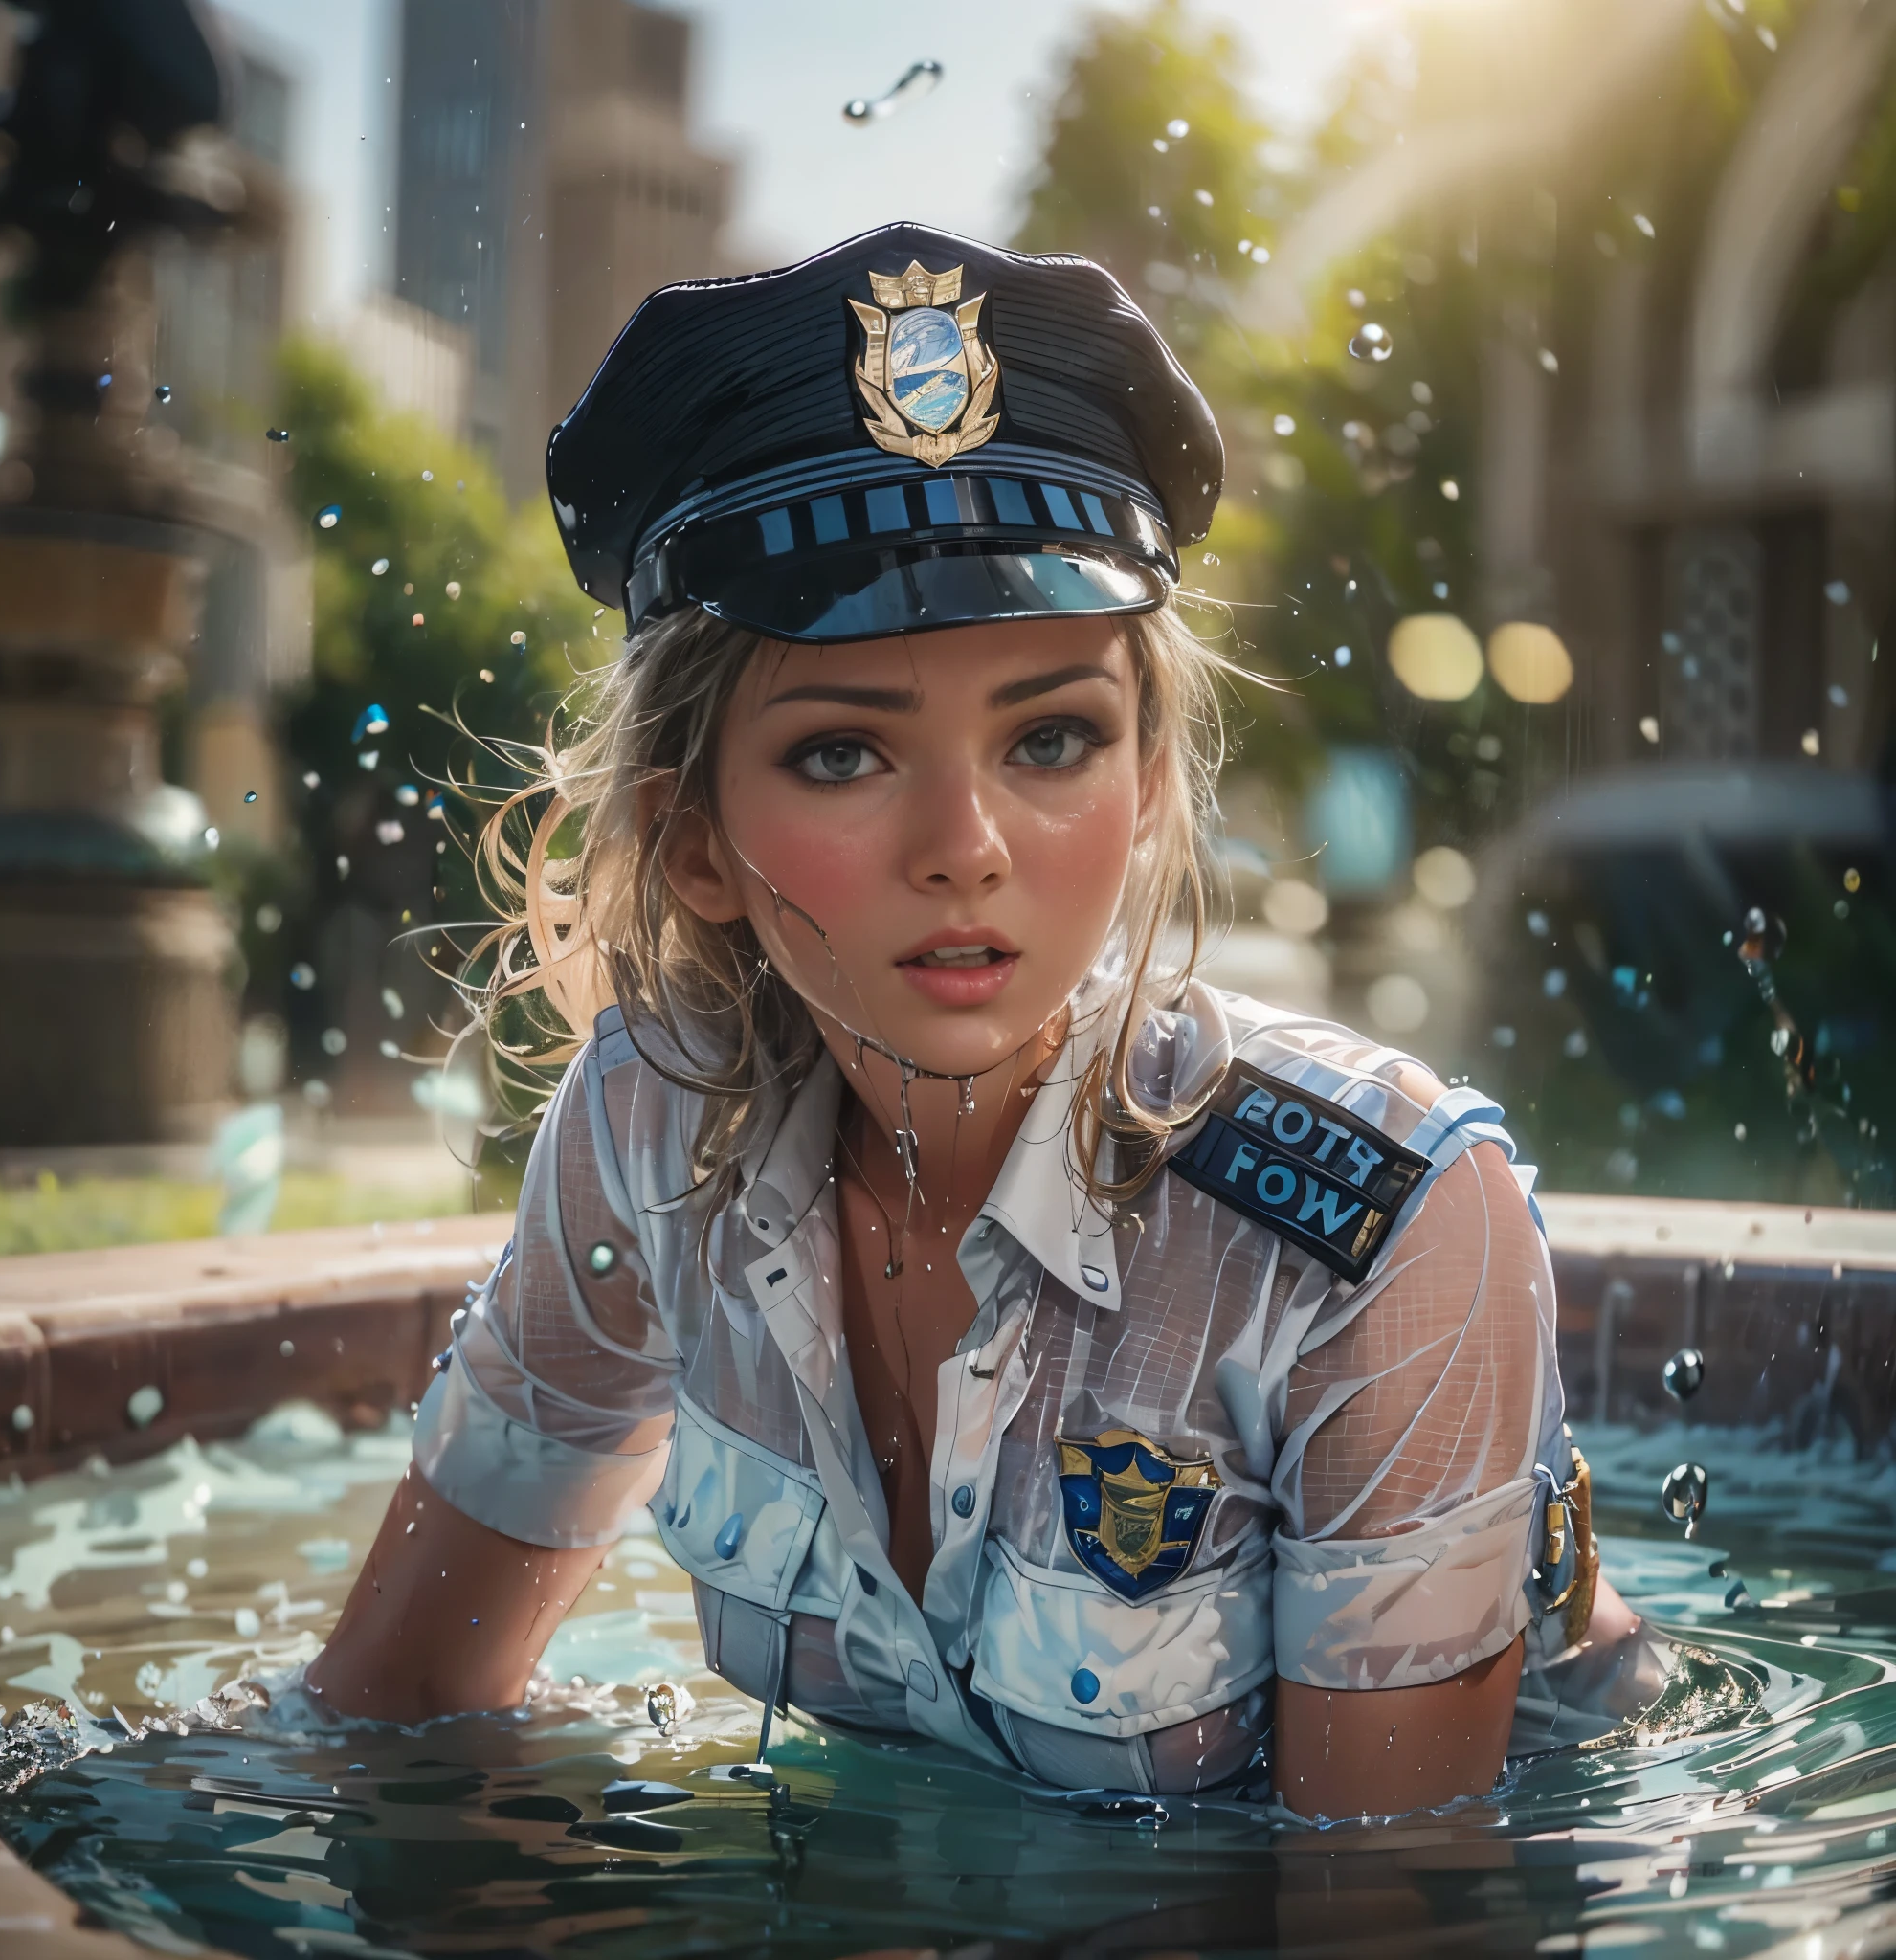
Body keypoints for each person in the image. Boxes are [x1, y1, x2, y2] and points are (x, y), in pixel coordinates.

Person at [308, 223, 1655, 1815]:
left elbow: (1382, 1923)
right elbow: (388, 1726)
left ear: (1151, 786)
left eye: (1054, 737)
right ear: (693, 844)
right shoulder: (649, 1120)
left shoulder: (1377, 1227)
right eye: (841, 753)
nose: (969, 844)